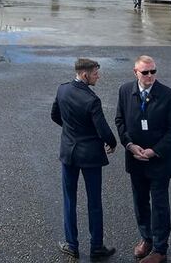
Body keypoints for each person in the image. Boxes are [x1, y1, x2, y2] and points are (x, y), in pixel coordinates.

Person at [115, 56, 171, 263]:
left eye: (153, 71)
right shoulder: (125, 91)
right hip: (135, 159)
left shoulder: (169, 95)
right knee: (140, 201)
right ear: (135, 72)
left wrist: (154, 151)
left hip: (159, 161)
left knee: (160, 205)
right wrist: (129, 145)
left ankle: (160, 249)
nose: (150, 76)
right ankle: (146, 238)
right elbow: (120, 121)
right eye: (145, 72)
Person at [52, 58, 118, 260]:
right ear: (84, 74)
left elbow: (55, 115)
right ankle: (96, 246)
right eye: (95, 73)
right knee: (94, 202)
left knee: (69, 200)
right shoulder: (92, 100)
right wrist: (112, 142)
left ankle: (71, 245)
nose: (98, 76)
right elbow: (103, 129)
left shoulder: (62, 90)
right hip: (90, 156)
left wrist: (71, 131)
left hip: (68, 153)